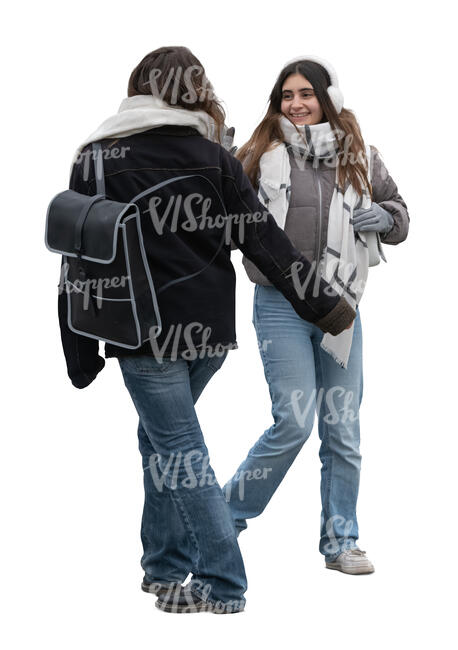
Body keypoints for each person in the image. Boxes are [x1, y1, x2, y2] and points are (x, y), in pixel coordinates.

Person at [57, 47, 355, 613]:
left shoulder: (99, 155)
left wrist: (78, 349)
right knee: (159, 440)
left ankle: (223, 583)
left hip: (139, 332)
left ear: (139, 88)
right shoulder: (214, 155)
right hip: (208, 334)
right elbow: (266, 242)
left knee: (179, 447)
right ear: (196, 91)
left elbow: (75, 257)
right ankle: (164, 566)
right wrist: (326, 306)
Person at [223, 55, 409, 575]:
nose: (296, 104)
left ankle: (341, 541)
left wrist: (388, 217)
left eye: (307, 94)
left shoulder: (361, 158)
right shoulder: (257, 154)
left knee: (343, 428)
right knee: (294, 422)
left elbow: (401, 211)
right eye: (287, 95)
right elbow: (221, 209)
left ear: (329, 100)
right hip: (281, 305)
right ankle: (222, 519)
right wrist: (215, 157)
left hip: (342, 306)